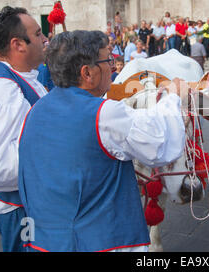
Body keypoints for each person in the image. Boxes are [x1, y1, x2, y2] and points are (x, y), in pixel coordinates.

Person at [18, 30, 187, 252]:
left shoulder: (35, 110)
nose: (115, 67)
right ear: (87, 73)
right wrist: (173, 96)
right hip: (99, 241)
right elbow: (158, 142)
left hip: (46, 239)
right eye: (108, 59)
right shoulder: (103, 113)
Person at [0, 6, 49, 252]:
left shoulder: (23, 78)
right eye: (38, 34)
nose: (45, 39)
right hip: (19, 206)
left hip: (31, 201)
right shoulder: (3, 90)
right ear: (18, 44)